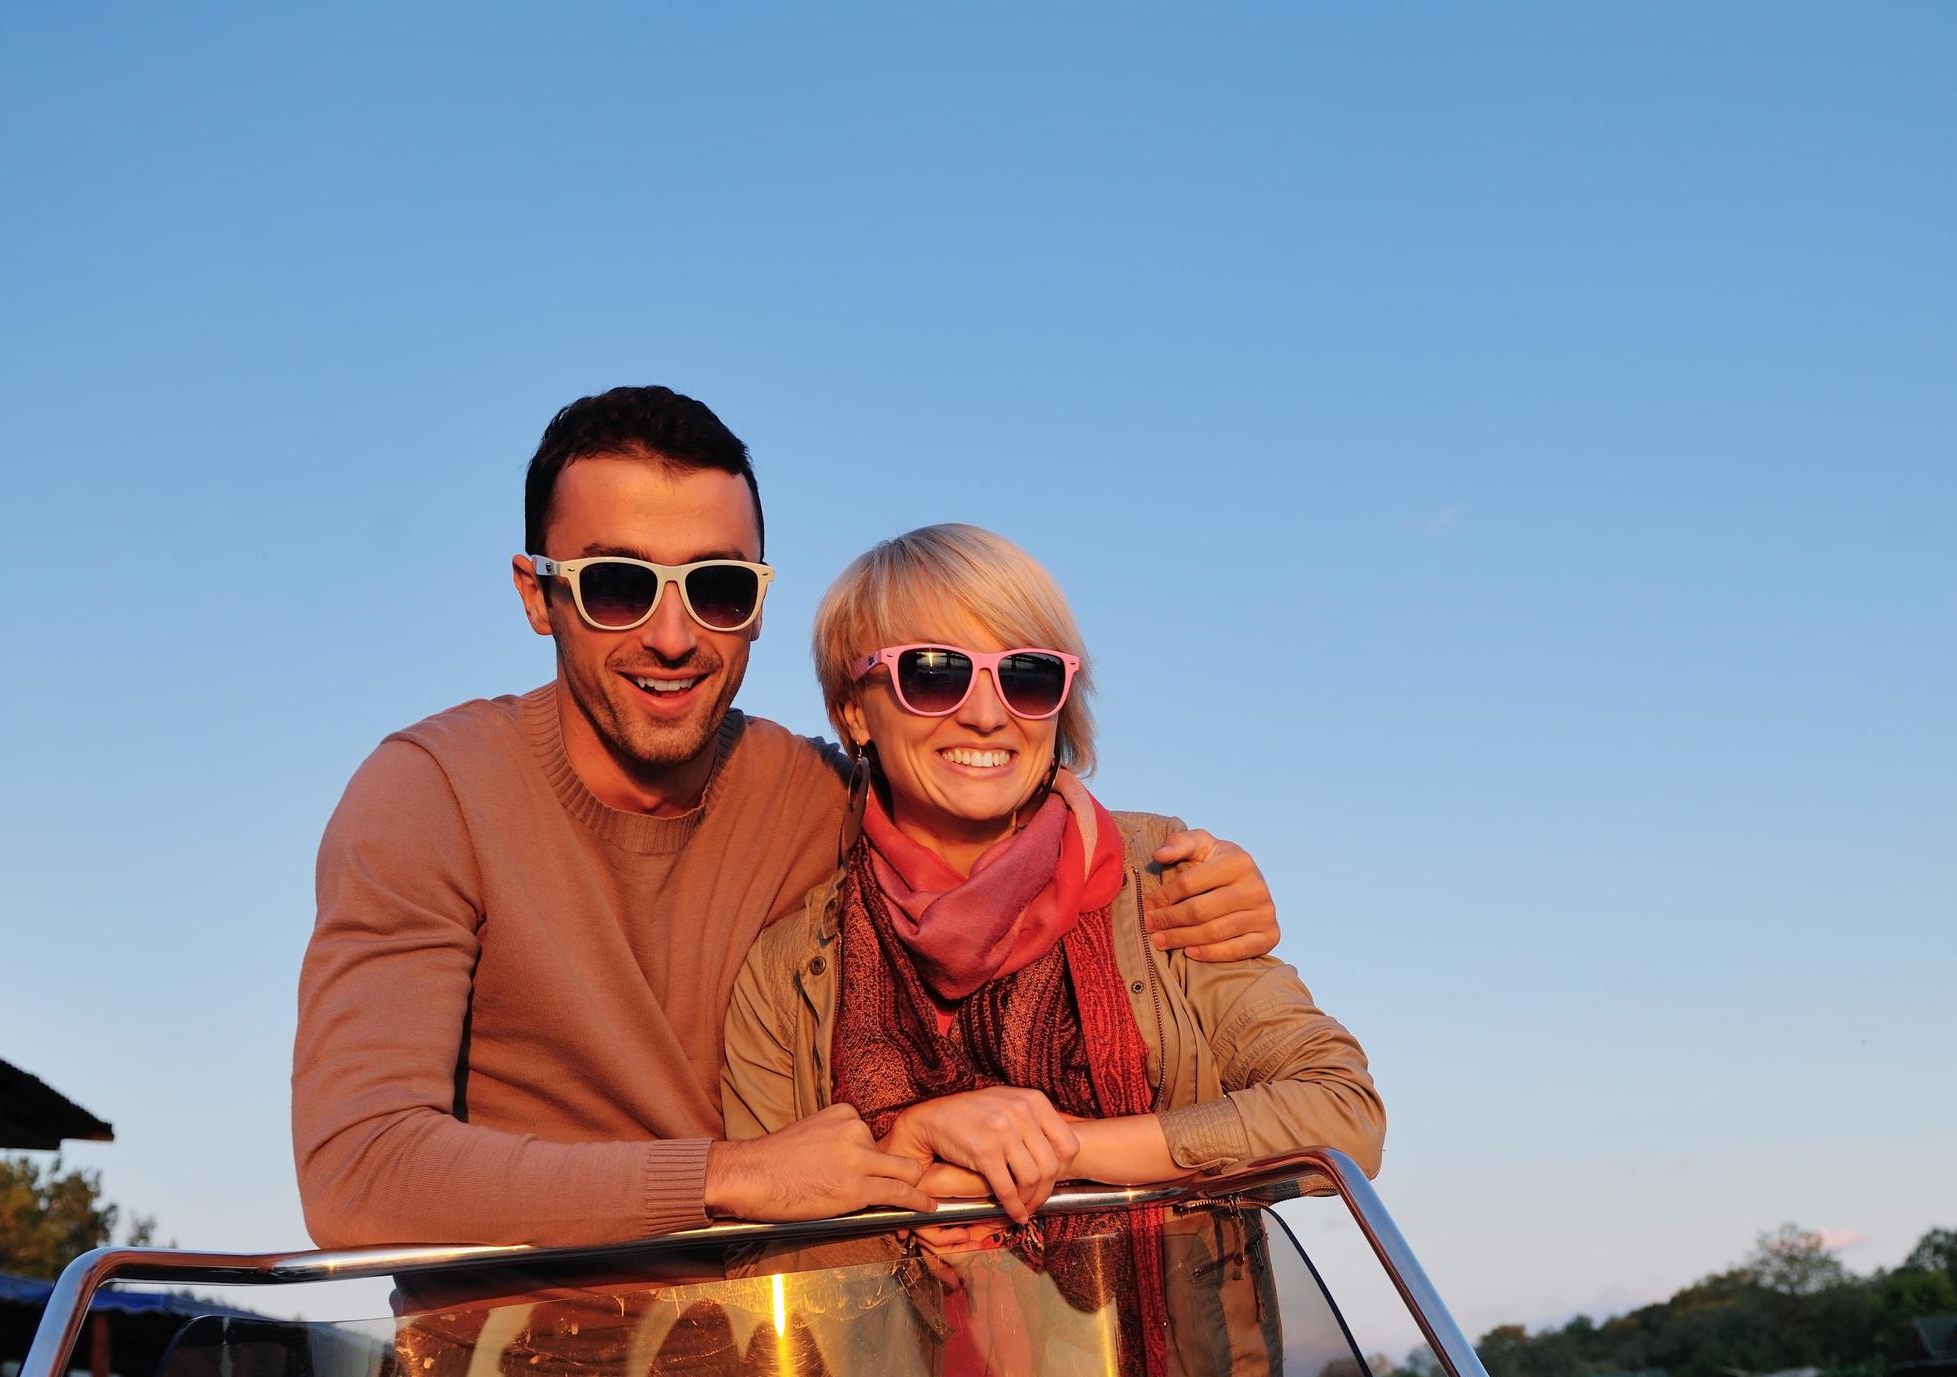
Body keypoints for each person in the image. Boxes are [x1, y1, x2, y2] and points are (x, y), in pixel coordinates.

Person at [291, 388, 1281, 1249]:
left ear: (759, 604)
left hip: (788, 1362)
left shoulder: (818, 797)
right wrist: (730, 1176)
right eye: (617, 585)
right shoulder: (428, 795)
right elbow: (359, 1171)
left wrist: (1189, 875)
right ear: (536, 595)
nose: (673, 636)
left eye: (717, 588)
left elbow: (997, 807)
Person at [721, 523, 1383, 1377]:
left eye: (1027, 675)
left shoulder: (1167, 879)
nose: (988, 713)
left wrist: (1067, 1147)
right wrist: (910, 1151)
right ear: (853, 711)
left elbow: (1342, 1118)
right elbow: (757, 1254)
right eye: (934, 673)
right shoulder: (789, 966)